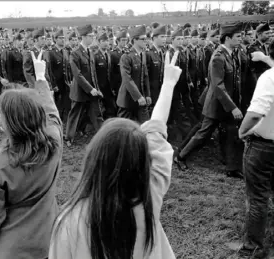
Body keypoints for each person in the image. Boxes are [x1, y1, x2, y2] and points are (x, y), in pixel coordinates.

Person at [49, 50, 182, 259]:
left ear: (94, 158)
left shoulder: (69, 220)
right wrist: (169, 84)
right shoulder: (150, 195)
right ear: (142, 161)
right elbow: (156, 130)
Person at [0, 50, 63, 259]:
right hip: (50, 239)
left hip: (14, 249)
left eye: (1, 113)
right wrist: (41, 77)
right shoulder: (54, 141)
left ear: (12, 122)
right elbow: (52, 112)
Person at [174, 22, 244, 178]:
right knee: (203, 134)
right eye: (238, 36)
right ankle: (180, 157)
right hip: (216, 104)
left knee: (232, 133)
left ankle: (232, 167)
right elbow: (218, 85)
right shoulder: (218, 57)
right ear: (227, 38)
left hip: (226, 103)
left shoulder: (230, 53)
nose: (241, 38)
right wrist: (233, 107)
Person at [237, 43, 274, 258]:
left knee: (257, 197)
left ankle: (253, 247)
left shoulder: (268, 78)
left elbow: (256, 113)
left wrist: (242, 131)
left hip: (263, 145)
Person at [65, 24, 103, 147]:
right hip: (80, 90)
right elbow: (78, 75)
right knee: (75, 113)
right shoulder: (75, 53)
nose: (93, 38)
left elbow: (93, 74)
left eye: (93, 36)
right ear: (84, 37)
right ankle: (68, 137)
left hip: (92, 90)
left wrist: (97, 88)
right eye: (91, 36)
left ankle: (103, 136)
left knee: (96, 113)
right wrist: (90, 88)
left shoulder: (90, 52)